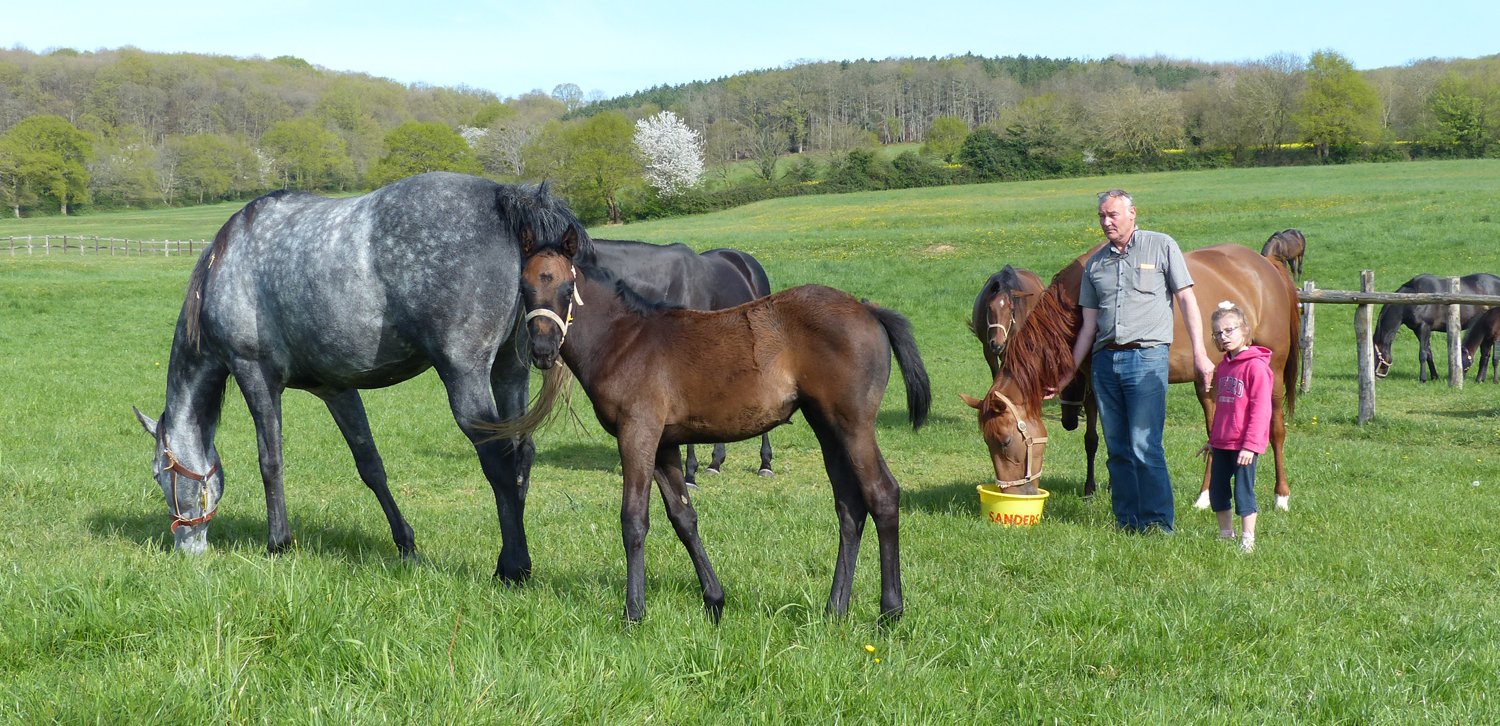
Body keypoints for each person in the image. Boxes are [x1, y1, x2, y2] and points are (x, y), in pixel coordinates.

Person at [1063, 189, 1213, 533]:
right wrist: (1068, 372)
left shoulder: (1161, 246)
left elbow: (1187, 300)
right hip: (1105, 363)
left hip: (1147, 359)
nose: (1106, 222)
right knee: (1117, 448)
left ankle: (1158, 523)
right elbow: (1088, 326)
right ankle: (1127, 522)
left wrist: (1201, 353)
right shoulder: (1096, 264)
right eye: (1102, 216)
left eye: (1112, 214)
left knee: (1145, 445)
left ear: (1133, 214)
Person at [1198, 301, 1270, 553]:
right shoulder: (1224, 366)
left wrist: (1250, 445)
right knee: (1218, 491)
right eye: (1218, 333)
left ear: (1245, 330)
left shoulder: (1256, 367)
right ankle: (1225, 534)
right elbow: (1222, 409)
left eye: (1229, 330)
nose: (1224, 337)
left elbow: (1261, 411)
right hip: (1223, 443)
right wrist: (1213, 440)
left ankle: (1248, 539)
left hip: (1244, 446)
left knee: (1243, 492)